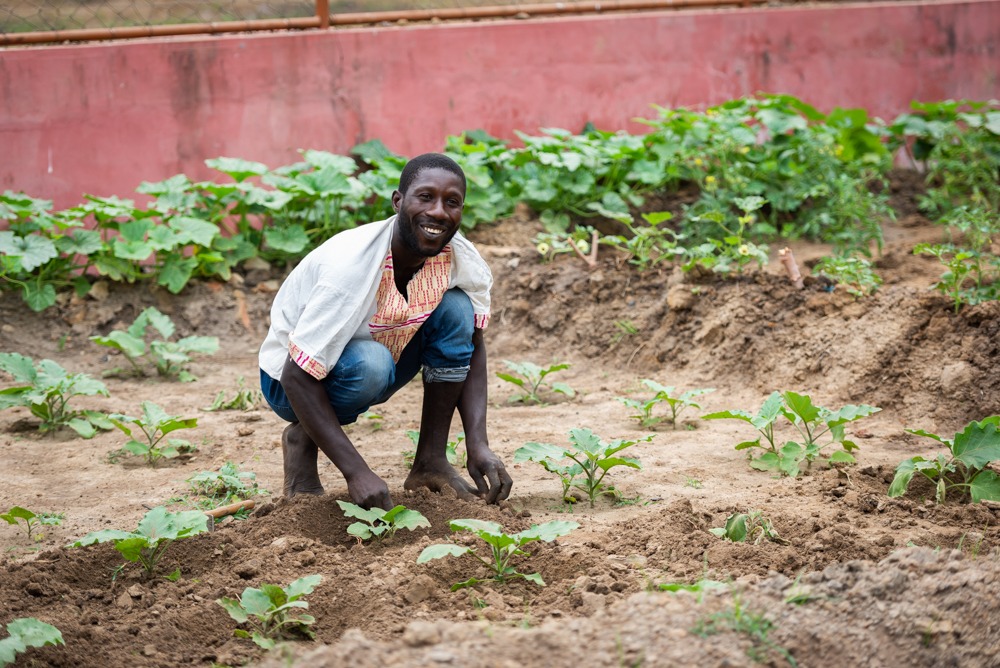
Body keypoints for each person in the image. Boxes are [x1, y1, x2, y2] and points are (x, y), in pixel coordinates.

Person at [258, 153, 513, 510]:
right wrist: (356, 473)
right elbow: (295, 376)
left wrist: (479, 444)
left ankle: (430, 462)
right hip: (289, 382)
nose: (438, 212)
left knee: (458, 311)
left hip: (381, 349)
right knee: (371, 364)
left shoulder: (460, 259)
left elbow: (473, 345)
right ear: (398, 201)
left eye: (451, 202)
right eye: (425, 197)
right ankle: (303, 440)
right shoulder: (350, 268)